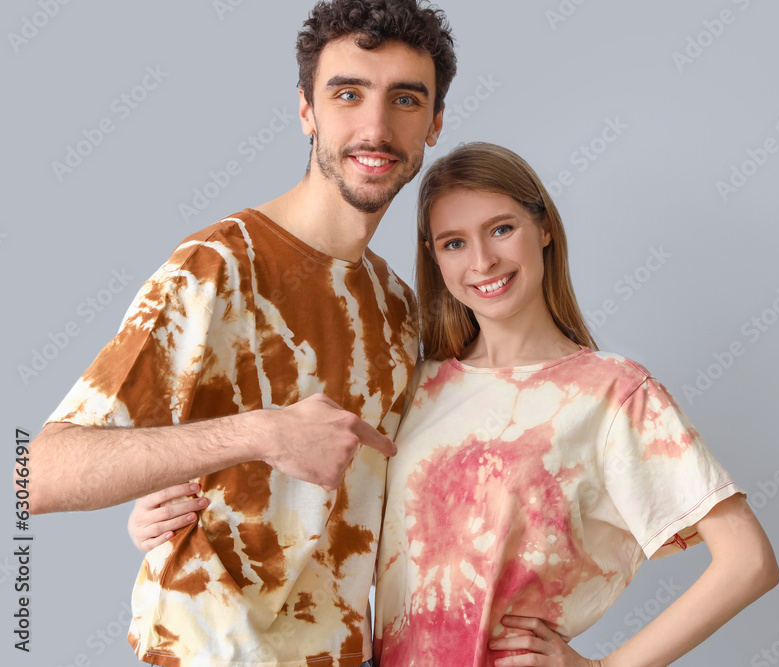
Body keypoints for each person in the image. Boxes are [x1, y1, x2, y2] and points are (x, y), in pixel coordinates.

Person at [133, 143, 779, 666]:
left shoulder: (613, 393)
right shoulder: (414, 387)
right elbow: (313, 507)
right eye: (453, 242)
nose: (483, 260)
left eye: (502, 228)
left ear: (544, 229)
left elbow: (748, 561)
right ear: (434, 257)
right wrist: (171, 525)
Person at [26, 2, 457, 666]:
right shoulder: (218, 266)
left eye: (405, 99)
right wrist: (260, 433)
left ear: (434, 124)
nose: (375, 126)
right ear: (307, 110)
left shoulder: (399, 307)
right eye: (348, 93)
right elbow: (39, 473)